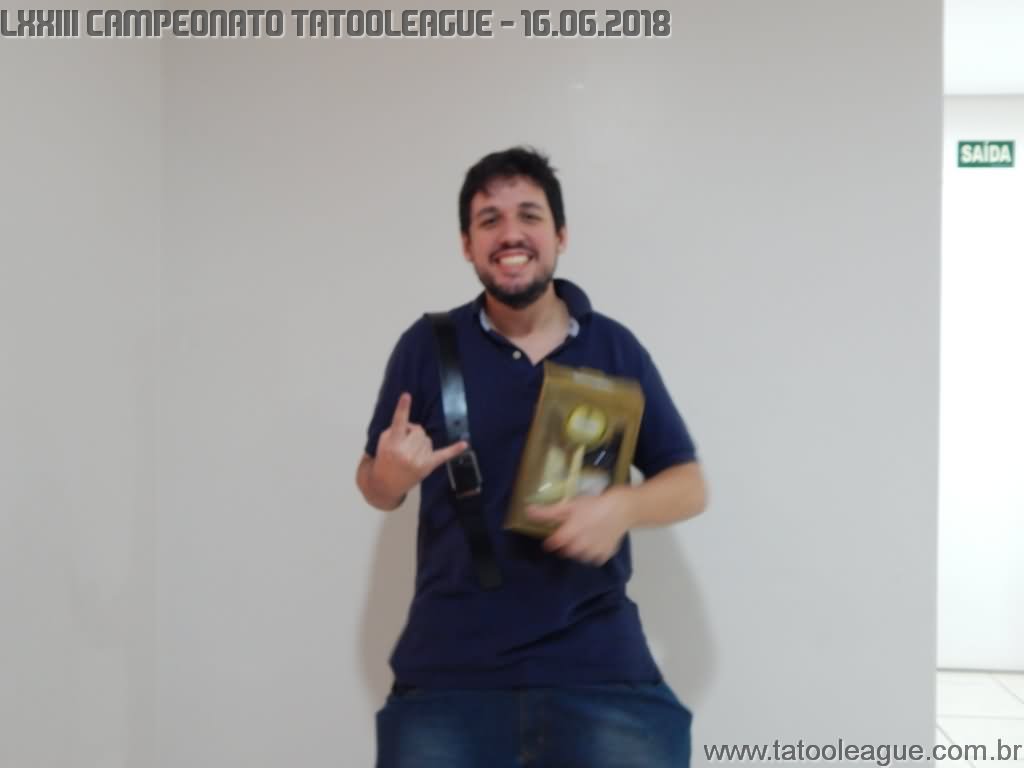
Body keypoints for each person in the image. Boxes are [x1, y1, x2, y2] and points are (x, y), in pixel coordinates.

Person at [356, 146, 707, 767]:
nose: (510, 234)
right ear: (467, 245)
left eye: (529, 215)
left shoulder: (614, 347)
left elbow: (689, 484)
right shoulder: (426, 345)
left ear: (560, 235)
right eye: (489, 220)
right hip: (449, 673)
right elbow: (375, 486)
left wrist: (622, 507)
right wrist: (388, 476)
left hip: (600, 668)